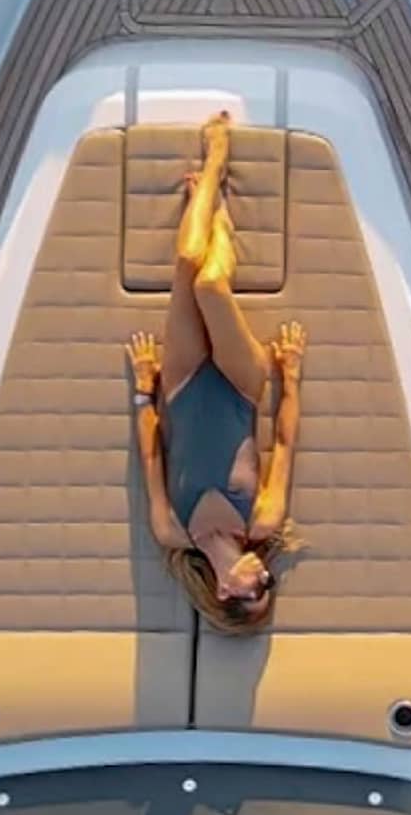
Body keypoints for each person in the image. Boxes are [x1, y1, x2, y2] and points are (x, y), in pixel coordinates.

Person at [125, 111, 307, 635]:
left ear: (225, 592)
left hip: (179, 388)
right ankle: (216, 165)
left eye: (257, 592)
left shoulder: (171, 531)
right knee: (208, 284)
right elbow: (287, 444)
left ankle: (210, 203)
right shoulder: (262, 519)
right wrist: (289, 376)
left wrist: (144, 390)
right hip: (239, 386)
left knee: (187, 260)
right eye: (267, 586)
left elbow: (152, 455)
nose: (265, 578)